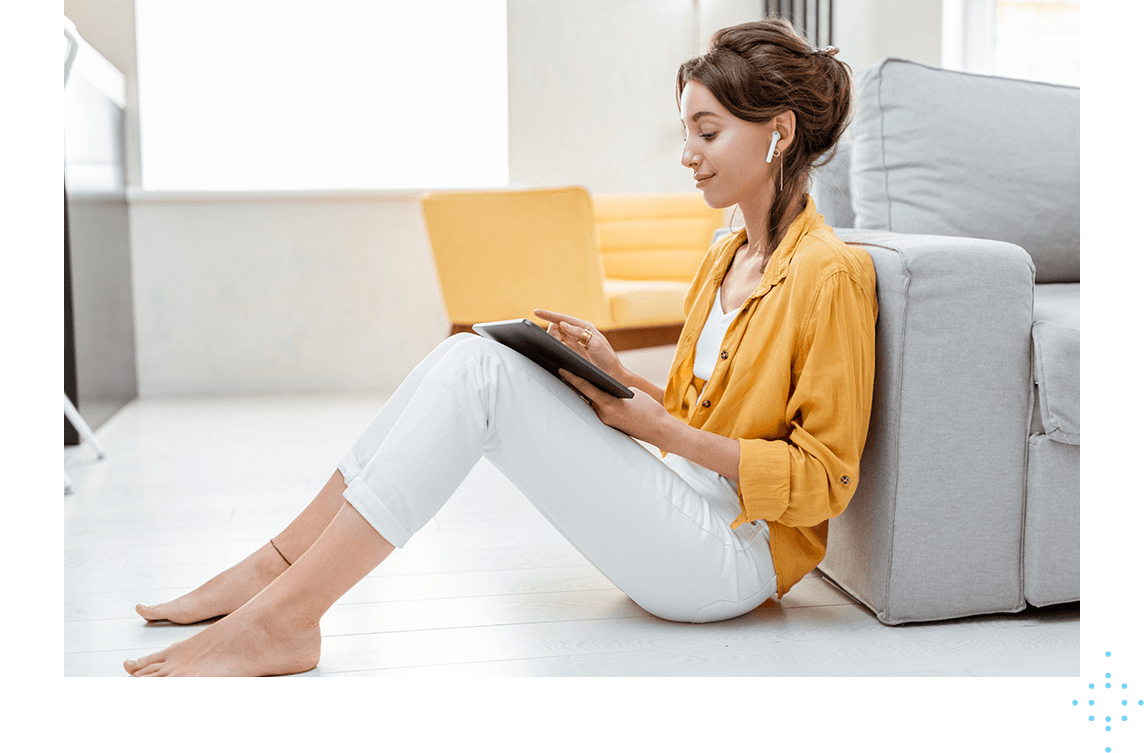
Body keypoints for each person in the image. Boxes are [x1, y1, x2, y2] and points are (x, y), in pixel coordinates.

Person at [123, 17, 876, 677]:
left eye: (706, 132)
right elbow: (695, 415)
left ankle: (286, 616)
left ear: (778, 131)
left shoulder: (829, 274)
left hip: (732, 558)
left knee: (481, 379)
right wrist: (619, 378)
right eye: (686, 132)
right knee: (467, 357)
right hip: (679, 506)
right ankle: (276, 568)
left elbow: (826, 479)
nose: (688, 154)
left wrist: (661, 428)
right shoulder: (724, 254)